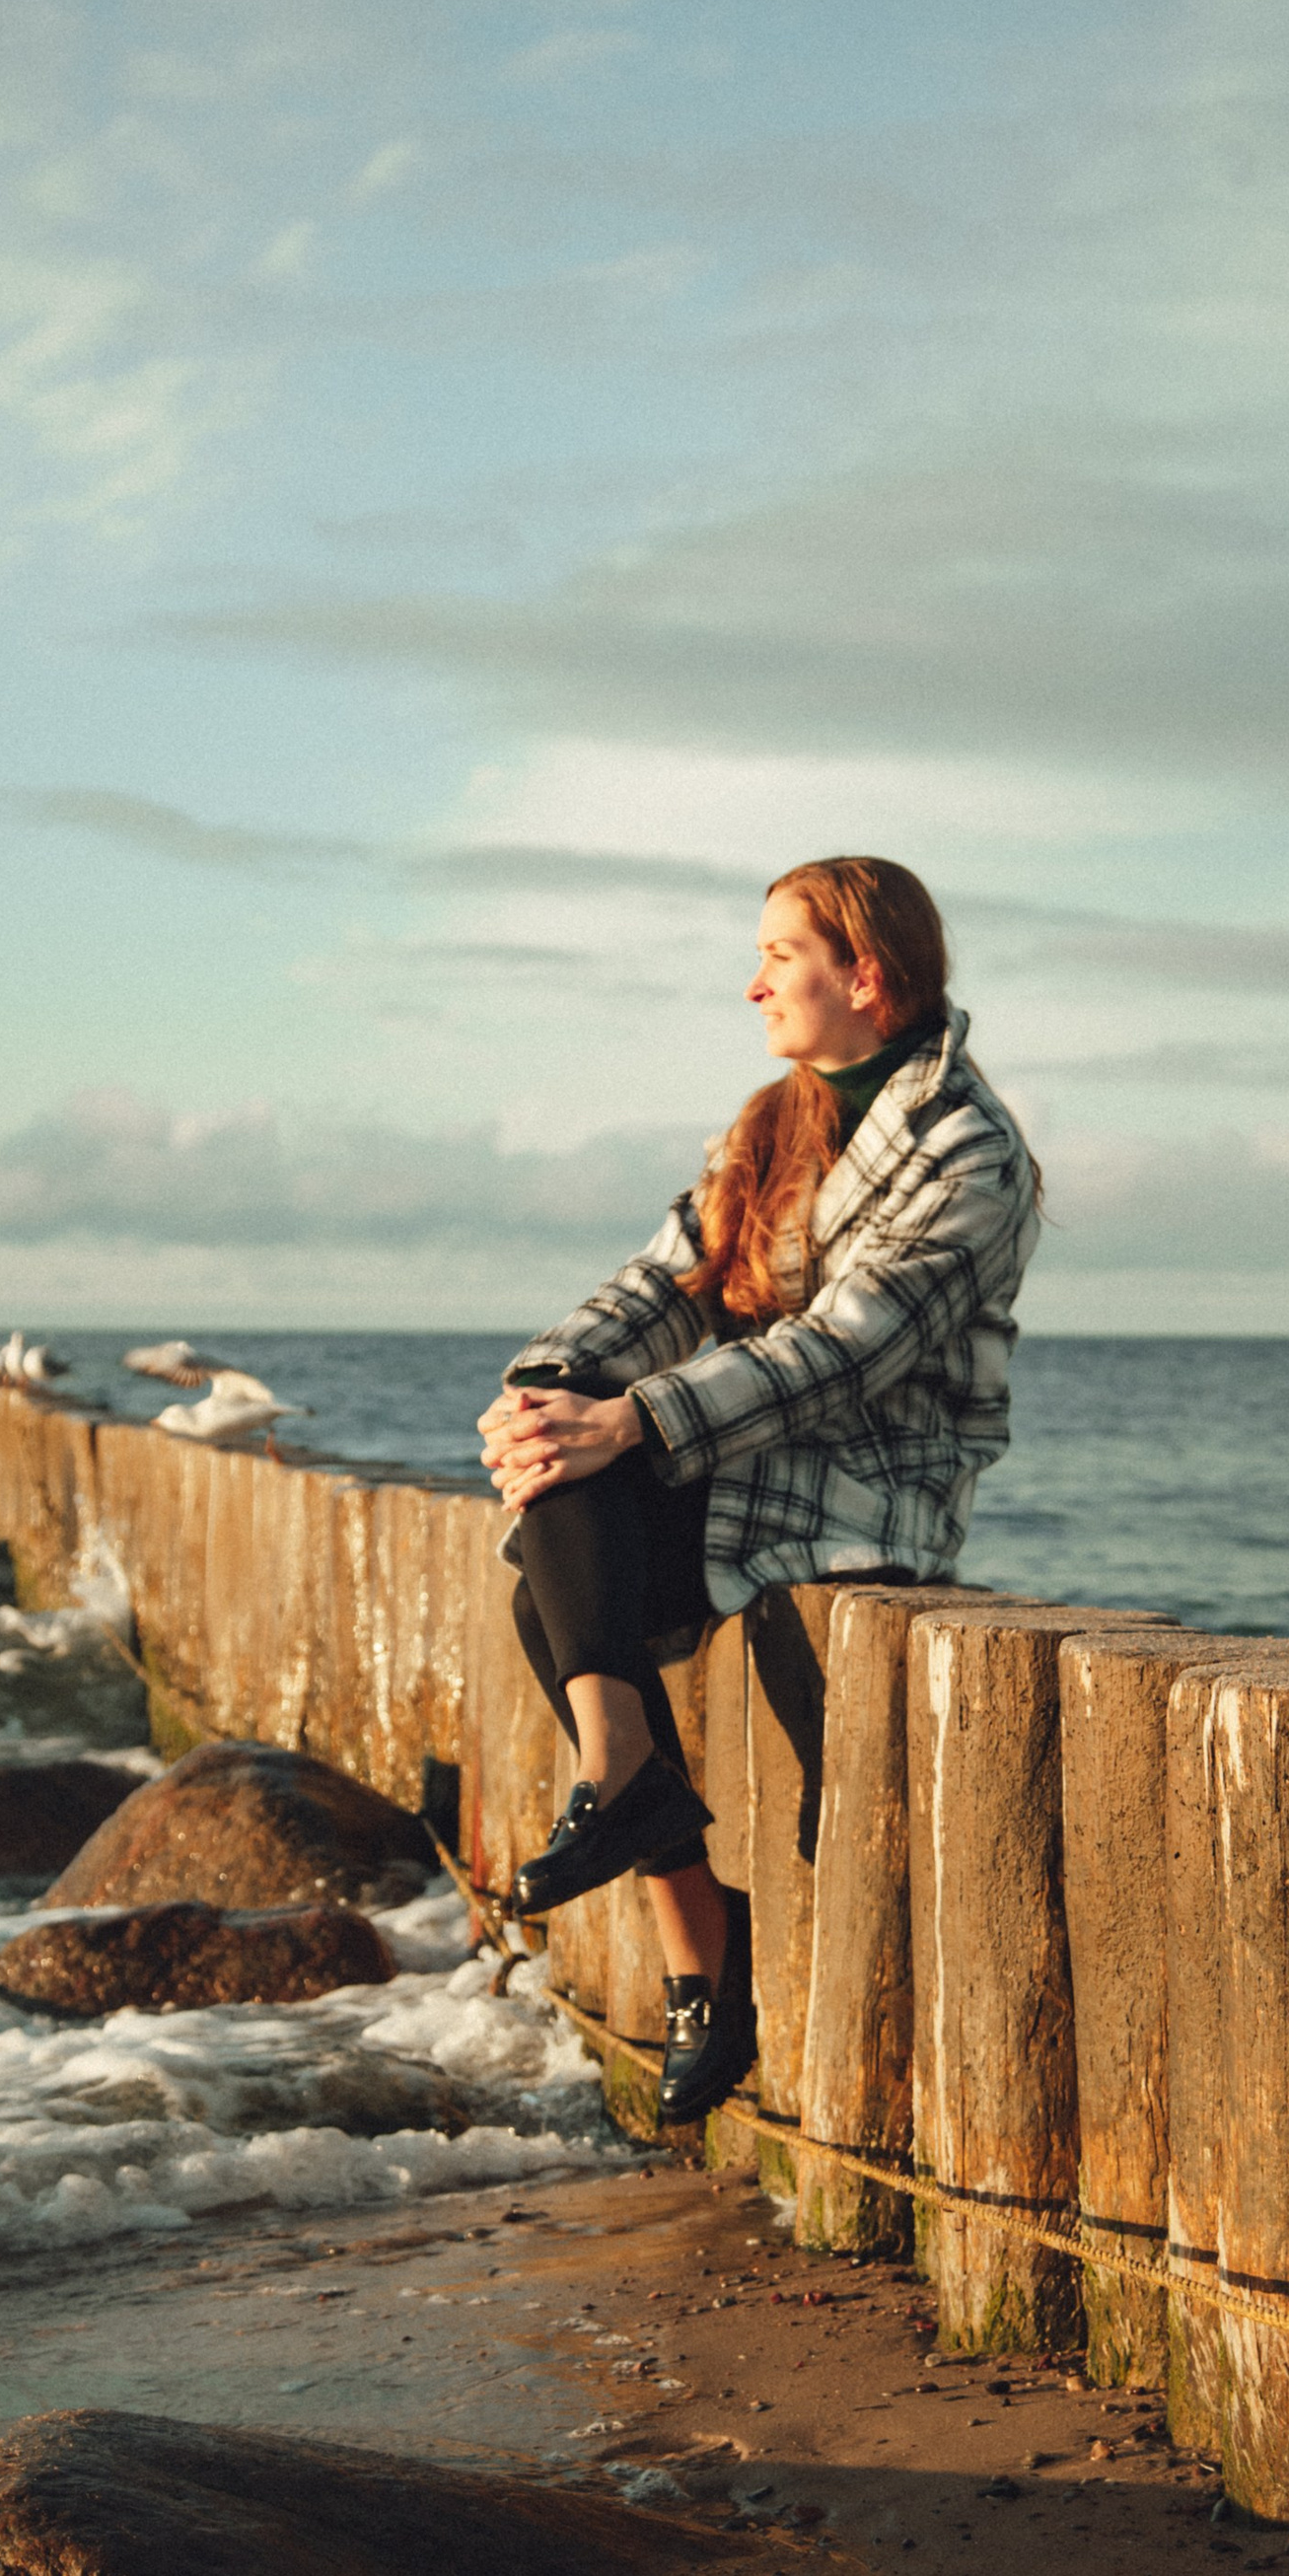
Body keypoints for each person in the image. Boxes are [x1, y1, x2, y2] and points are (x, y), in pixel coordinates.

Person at [475, 855, 1042, 2125]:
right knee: (555, 1526)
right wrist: (546, 1385)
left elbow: (851, 1352)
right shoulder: (773, 1120)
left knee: (578, 1517)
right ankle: (675, 1896)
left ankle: (681, 1916)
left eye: (776, 957)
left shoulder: (972, 1153)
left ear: (865, 974)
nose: (753, 986)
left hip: (862, 1491)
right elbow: (666, 1282)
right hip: (741, 1458)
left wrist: (634, 1418)